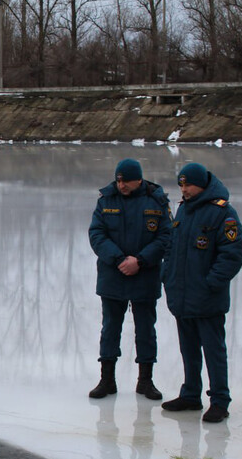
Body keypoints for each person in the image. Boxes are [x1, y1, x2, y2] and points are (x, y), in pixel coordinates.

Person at [161, 163, 242, 423]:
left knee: (214, 351)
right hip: (182, 295)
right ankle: (190, 394)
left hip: (207, 298)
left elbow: (232, 254)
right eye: (181, 185)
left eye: (188, 185)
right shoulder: (184, 210)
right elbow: (172, 247)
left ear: (202, 184)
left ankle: (219, 401)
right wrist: (168, 275)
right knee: (188, 350)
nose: (184, 190)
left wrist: (212, 283)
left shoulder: (223, 213)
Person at [88, 158, 171, 400]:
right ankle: (107, 380)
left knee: (146, 330)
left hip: (145, 275)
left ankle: (145, 381)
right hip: (113, 276)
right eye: (119, 179)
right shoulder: (106, 201)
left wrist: (140, 261)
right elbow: (96, 234)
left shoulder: (156, 201)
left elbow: (166, 236)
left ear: (139, 179)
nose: (121, 184)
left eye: (126, 180)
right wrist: (119, 259)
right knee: (110, 329)